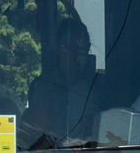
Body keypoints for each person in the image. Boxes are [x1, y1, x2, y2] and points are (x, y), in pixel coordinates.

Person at [23, 16, 99, 145]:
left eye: (80, 47)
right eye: (67, 47)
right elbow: (45, 133)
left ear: (88, 49)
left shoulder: (98, 86)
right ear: (57, 48)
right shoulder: (44, 87)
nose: (73, 53)